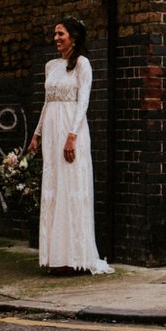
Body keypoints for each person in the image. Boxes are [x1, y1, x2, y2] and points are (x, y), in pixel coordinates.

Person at [28, 17, 113, 275]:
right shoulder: (50, 65)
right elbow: (46, 101)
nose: (56, 38)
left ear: (73, 37)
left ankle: (76, 256)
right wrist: (37, 133)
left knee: (72, 187)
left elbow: (83, 101)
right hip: (52, 132)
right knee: (54, 188)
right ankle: (56, 257)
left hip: (71, 130)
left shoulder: (82, 65)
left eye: (60, 34)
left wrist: (73, 134)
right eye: (55, 34)